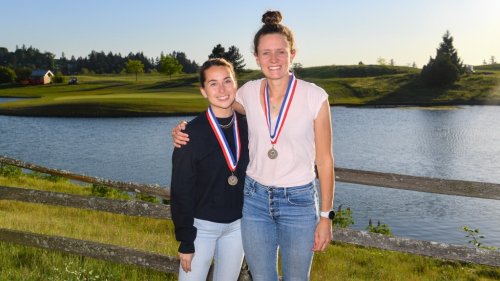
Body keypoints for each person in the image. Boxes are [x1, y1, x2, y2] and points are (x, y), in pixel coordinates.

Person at [172, 10, 335, 281]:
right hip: (255, 200)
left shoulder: (315, 97)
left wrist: (326, 216)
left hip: (298, 200)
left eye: (280, 52)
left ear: (292, 54)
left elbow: (326, 161)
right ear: (256, 57)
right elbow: (219, 105)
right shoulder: (247, 91)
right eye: (266, 53)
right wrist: (182, 130)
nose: (274, 60)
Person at [170, 58, 249, 281]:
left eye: (227, 81)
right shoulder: (190, 134)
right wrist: (186, 240)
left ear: (236, 84)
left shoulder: (250, 126)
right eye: (213, 84)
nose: (222, 89)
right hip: (201, 229)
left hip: (238, 227)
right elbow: (181, 190)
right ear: (203, 91)